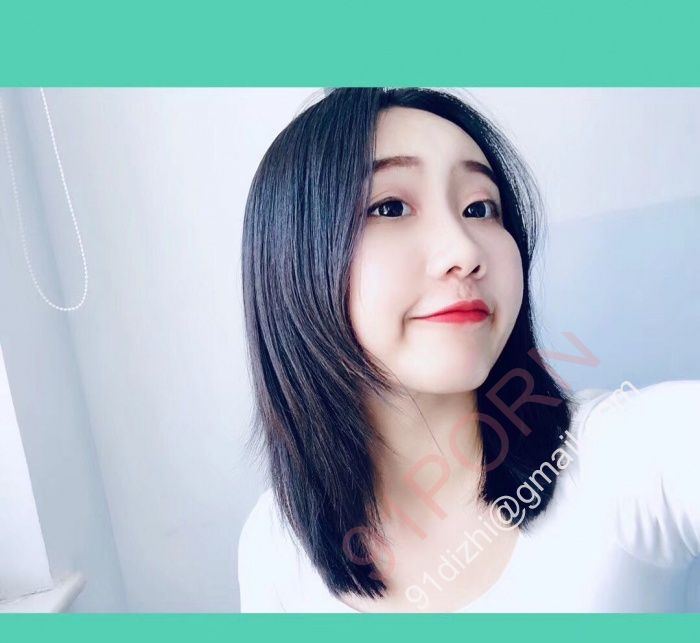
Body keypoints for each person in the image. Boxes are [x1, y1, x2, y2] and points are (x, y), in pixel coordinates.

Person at [237, 87, 700, 612]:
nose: (464, 250)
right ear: (291, 260)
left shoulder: (630, 454)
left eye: (480, 208)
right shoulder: (275, 548)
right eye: (390, 207)